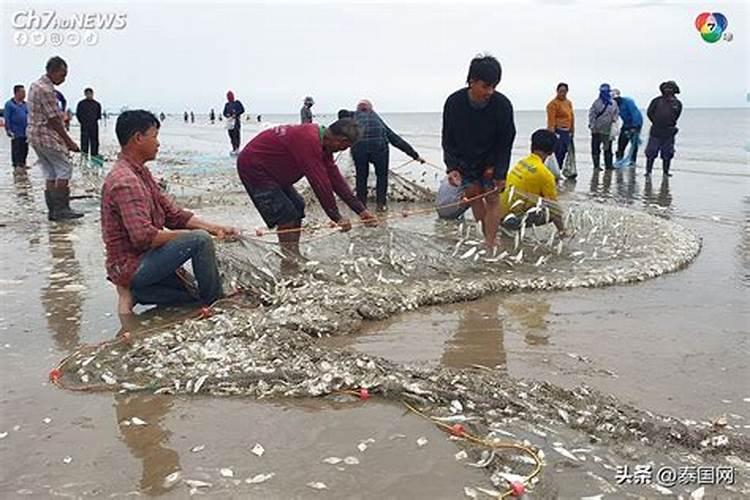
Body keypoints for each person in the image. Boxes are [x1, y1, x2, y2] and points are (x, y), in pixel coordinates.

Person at [101, 110, 238, 315]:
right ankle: (215, 302)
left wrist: (216, 228)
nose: (158, 143)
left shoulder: (142, 173)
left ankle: (137, 293)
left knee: (190, 294)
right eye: (154, 136)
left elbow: (174, 215)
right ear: (138, 139)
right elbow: (143, 237)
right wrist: (195, 237)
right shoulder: (125, 181)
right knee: (199, 240)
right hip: (131, 264)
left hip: (144, 259)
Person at [237, 118, 377, 270]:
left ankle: (293, 253)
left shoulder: (323, 144)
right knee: (286, 215)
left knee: (298, 206)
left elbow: (334, 178)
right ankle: (288, 260)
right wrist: (336, 217)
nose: (344, 150)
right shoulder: (308, 140)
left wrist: (361, 211)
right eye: (346, 146)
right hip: (254, 168)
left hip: (274, 171)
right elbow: (320, 183)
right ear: (341, 141)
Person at [442, 54, 516, 249]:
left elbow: (506, 142)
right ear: (472, 81)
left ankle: (490, 242)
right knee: (474, 196)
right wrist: (452, 167)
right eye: (485, 86)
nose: (490, 91)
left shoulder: (502, 105)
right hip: (466, 160)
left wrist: (500, 173)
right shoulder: (454, 103)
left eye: (494, 86)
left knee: (492, 198)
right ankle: (487, 236)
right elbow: (447, 138)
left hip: (491, 159)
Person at [27, 56, 83, 221]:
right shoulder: (46, 89)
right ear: (52, 71)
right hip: (45, 135)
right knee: (64, 168)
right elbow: (54, 120)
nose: (64, 78)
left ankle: (53, 211)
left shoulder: (35, 85)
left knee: (50, 172)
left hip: (34, 135)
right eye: (62, 74)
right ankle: (61, 209)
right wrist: (69, 142)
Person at [350, 99, 425, 212]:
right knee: (382, 176)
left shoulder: (354, 117)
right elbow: (395, 139)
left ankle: (361, 206)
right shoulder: (377, 119)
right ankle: (381, 205)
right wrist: (415, 155)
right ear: (371, 109)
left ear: (358, 109)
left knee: (361, 177)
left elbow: (341, 113)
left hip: (359, 150)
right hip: (380, 150)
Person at [500, 129, 565, 233]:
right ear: (552, 152)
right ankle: (563, 233)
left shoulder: (522, 162)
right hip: (509, 220)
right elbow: (553, 209)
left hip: (496, 213)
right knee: (555, 210)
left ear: (532, 146)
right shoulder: (545, 174)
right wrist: (563, 230)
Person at [644, 81, 682, 177]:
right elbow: (649, 113)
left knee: (668, 153)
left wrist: (670, 124)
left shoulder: (677, 103)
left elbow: (676, 116)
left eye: (670, 88)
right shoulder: (656, 101)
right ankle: (648, 171)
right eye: (666, 88)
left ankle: (665, 172)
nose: (668, 90)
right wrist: (656, 122)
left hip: (669, 131)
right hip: (656, 130)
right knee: (651, 152)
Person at [587, 83, 619, 170]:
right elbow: (592, 115)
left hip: (608, 130)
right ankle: (596, 166)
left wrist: (614, 122)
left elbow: (616, 114)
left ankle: (609, 165)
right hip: (596, 130)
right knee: (596, 148)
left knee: (608, 148)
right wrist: (592, 126)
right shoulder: (596, 103)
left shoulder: (613, 103)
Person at [546, 82, 575, 169]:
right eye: (561, 91)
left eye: (564, 91)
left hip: (567, 131)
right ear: (557, 91)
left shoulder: (568, 103)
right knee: (558, 152)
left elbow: (571, 117)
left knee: (564, 151)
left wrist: (572, 130)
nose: (562, 93)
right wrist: (552, 133)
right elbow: (551, 120)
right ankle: (555, 170)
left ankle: (559, 169)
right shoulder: (552, 104)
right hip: (558, 131)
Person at [611, 89, 643, 166]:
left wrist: (635, 126)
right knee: (621, 142)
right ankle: (619, 159)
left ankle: (632, 161)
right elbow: (614, 116)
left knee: (633, 144)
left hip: (636, 124)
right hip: (626, 124)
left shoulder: (628, 102)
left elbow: (635, 113)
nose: (615, 100)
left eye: (616, 99)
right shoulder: (614, 105)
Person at [4, 84, 29, 173]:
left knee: (25, 149)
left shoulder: (25, 104)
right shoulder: (9, 104)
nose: (24, 94)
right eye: (22, 92)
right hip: (16, 132)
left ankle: (23, 164)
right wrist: (8, 130)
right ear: (16, 93)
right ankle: (17, 167)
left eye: (25, 92)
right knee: (17, 150)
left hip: (25, 132)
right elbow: (7, 118)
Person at [76, 87, 102, 158]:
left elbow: (98, 116)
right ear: (85, 94)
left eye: (90, 94)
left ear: (93, 94)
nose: (89, 95)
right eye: (87, 94)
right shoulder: (81, 104)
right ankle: (84, 157)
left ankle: (94, 157)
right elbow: (78, 114)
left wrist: (93, 120)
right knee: (84, 142)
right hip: (84, 125)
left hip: (94, 125)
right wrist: (82, 122)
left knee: (95, 142)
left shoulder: (97, 104)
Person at [223, 90, 245, 155]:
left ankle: (237, 148)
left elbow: (242, 110)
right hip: (229, 122)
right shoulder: (227, 104)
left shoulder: (237, 103)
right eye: (228, 96)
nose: (229, 97)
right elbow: (224, 113)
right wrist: (227, 115)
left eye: (230, 96)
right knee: (231, 135)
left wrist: (236, 114)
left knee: (236, 134)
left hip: (236, 121)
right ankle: (234, 148)